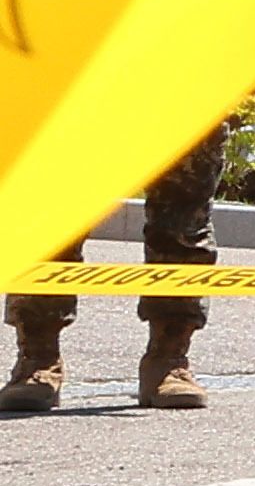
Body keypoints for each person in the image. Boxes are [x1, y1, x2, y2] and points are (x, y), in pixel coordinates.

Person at [2, 120, 221, 414]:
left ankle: (168, 358)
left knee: (184, 224)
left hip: (180, 82)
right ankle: (37, 359)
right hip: (79, 83)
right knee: (48, 213)